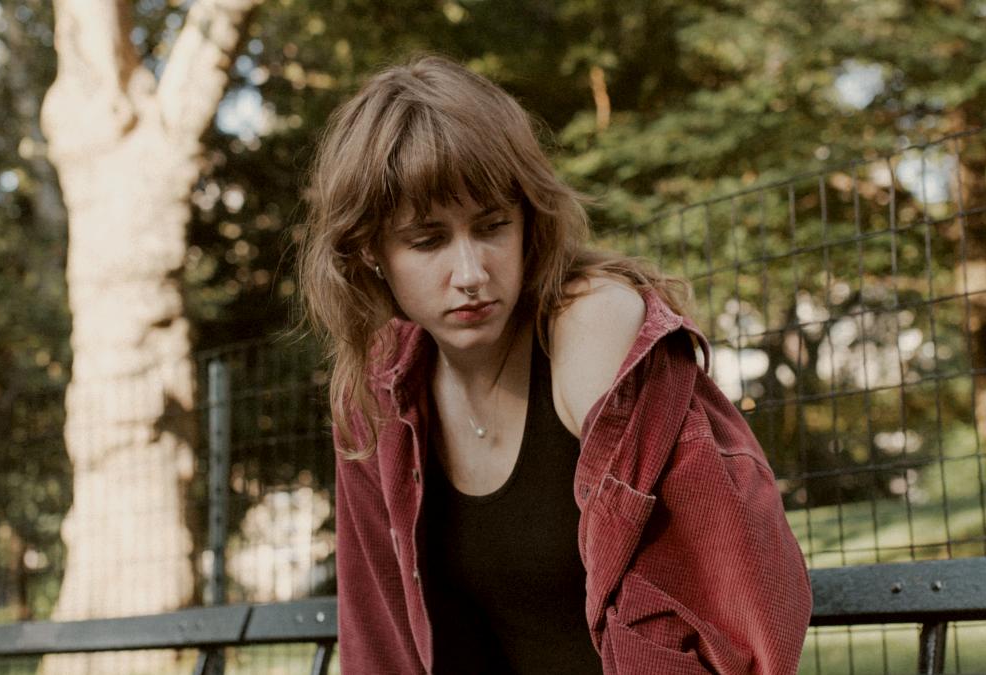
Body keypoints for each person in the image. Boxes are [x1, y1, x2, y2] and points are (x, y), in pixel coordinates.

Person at [296, 54, 811, 674]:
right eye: (428, 240)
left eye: (492, 226)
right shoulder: (378, 391)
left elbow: (741, 595)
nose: (470, 273)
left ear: (528, 221)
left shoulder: (591, 327)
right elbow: (380, 641)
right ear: (370, 252)